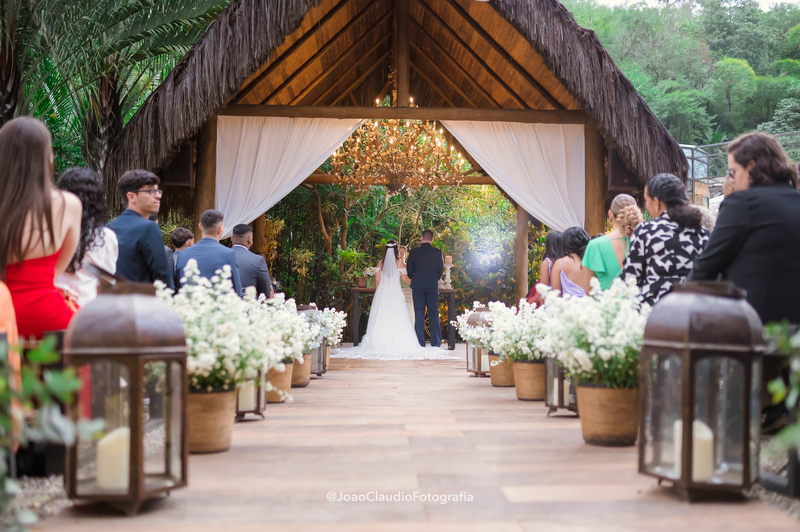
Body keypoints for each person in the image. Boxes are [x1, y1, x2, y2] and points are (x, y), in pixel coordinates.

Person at [690, 132, 800, 324]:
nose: (731, 180)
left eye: (733, 172)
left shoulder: (743, 203)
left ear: (750, 166)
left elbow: (707, 265)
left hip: (756, 324)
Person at [0, 117, 82, 338]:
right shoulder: (68, 204)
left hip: (3, 317)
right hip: (48, 318)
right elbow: (55, 271)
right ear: (48, 157)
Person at [337, 241, 442, 359]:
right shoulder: (399, 263)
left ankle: (378, 342)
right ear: (396, 250)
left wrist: (378, 294)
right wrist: (420, 280)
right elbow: (407, 280)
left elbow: (377, 281)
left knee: (381, 316)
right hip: (395, 293)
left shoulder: (379, 263)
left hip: (382, 293)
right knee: (397, 316)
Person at [622, 173, 708, 306]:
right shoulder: (703, 234)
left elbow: (630, 278)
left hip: (654, 311)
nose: (646, 206)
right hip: (694, 310)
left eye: (646, 200)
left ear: (657, 203)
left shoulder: (646, 231)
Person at [54, 167, 119, 307]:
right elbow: (108, 280)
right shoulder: (106, 236)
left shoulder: (53, 232)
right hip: (91, 307)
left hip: (58, 301)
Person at [107, 169, 174, 289]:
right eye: (150, 191)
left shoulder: (108, 227)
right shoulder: (148, 228)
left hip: (112, 297)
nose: (158, 196)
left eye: (157, 190)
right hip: (141, 298)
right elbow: (163, 276)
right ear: (131, 197)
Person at [582, 194, 643, 290]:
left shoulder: (595, 245)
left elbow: (587, 290)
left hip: (606, 299)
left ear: (610, 214)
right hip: (639, 299)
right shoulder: (645, 242)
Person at [175, 209, 242, 294]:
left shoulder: (183, 254)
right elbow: (237, 290)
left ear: (200, 226)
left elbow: (178, 286)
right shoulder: (228, 254)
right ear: (219, 230)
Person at [406, 230, 445, 347]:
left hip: (418, 286)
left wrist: (415, 277)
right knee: (434, 313)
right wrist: (433, 279)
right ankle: (436, 342)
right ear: (432, 239)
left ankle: (420, 342)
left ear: (421, 238)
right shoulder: (437, 252)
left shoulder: (414, 252)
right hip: (432, 285)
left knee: (419, 313)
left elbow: (409, 270)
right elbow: (440, 270)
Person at [231, 223, 273, 297]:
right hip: (247, 303)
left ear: (231, 238)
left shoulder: (219, 256)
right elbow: (265, 293)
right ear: (250, 238)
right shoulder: (258, 260)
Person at [551, 227, 591, 297]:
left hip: (568, 303)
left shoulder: (560, 263)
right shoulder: (592, 261)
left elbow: (556, 295)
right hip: (591, 303)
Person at [526, 231, 564, 305]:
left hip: (550, 302)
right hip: (563, 300)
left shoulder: (547, 263)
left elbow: (543, 290)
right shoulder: (565, 262)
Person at [397, 245, 414, 323]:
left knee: (409, 310)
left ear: (406, 255)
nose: (401, 255)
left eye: (403, 253)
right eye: (399, 253)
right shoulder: (394, 266)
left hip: (408, 291)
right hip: (397, 291)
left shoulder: (409, 266)